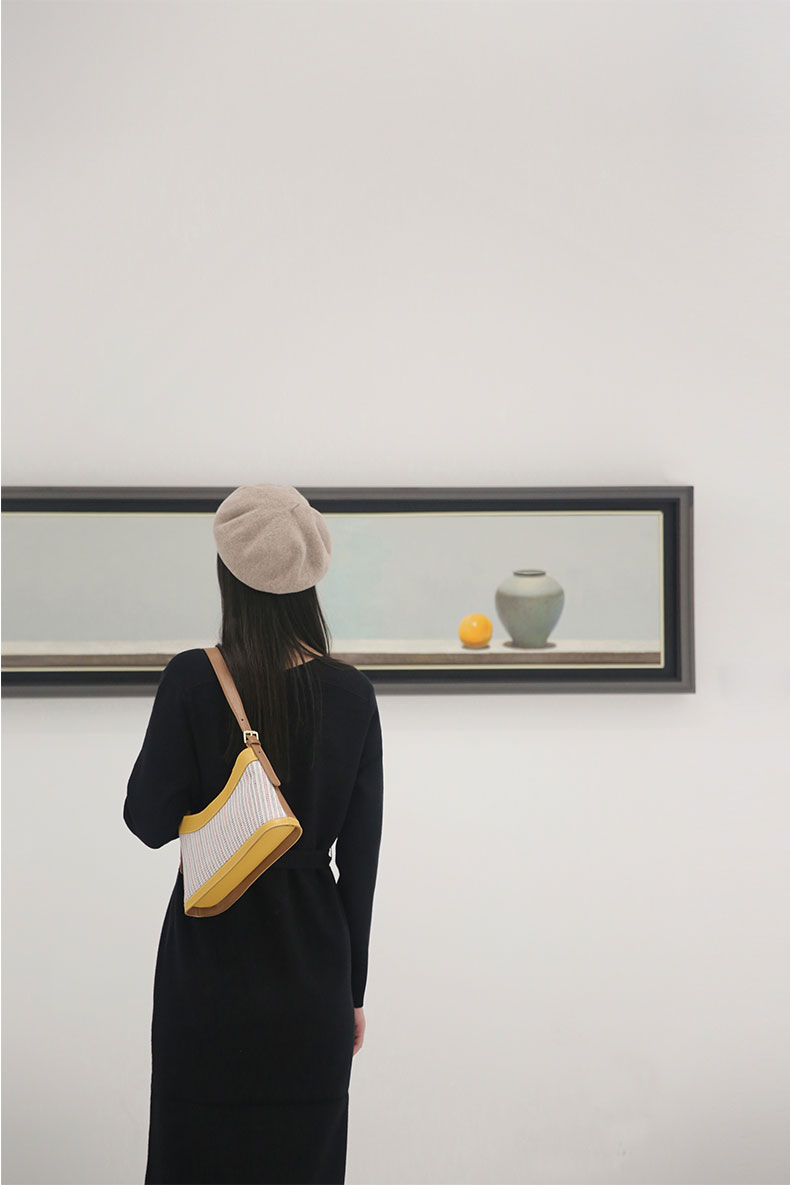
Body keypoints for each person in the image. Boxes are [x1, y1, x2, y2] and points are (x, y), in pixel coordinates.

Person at [123, 483, 384, 1185]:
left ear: (230, 573)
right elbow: (361, 865)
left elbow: (146, 822)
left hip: (206, 974)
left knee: (194, 1158)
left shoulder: (192, 679)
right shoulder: (353, 695)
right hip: (313, 979)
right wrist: (352, 991)